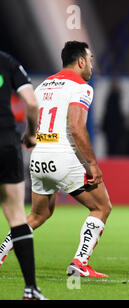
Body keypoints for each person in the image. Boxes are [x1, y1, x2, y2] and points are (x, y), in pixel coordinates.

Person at [0, 41, 112, 278]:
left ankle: (0, 254)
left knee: (37, 215)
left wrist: (30, 137)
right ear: (80, 61)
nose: (91, 64)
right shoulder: (82, 86)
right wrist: (91, 164)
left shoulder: (43, 86)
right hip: (63, 156)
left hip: (39, 156)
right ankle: (80, 262)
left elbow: (33, 118)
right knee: (101, 207)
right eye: (90, 59)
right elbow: (76, 127)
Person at [0, 50, 47, 299]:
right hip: (6, 141)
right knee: (17, 215)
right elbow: (31, 102)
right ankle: (31, 289)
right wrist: (31, 134)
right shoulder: (7, 62)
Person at [101, 79, 125, 155]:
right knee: (112, 147)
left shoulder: (117, 97)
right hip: (112, 128)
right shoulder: (113, 98)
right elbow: (110, 114)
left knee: (113, 147)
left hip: (113, 128)